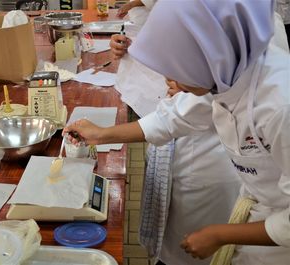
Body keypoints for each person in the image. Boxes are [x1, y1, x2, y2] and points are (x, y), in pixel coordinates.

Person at [126, 0, 290, 264]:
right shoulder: (229, 74)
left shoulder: (281, 106)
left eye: (179, 70)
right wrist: (100, 135)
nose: (171, 83)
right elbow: (176, 116)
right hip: (258, 210)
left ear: (212, 54)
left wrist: (220, 234)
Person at [108, 12, 240, 265]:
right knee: (171, 243)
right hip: (179, 142)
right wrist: (135, 48)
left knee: (195, 251)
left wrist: (189, 83)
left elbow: (182, 113)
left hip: (206, 162)